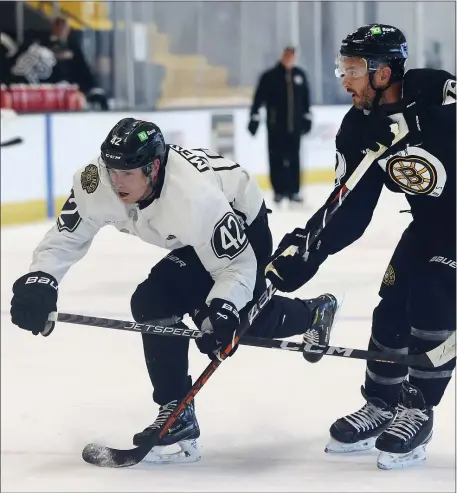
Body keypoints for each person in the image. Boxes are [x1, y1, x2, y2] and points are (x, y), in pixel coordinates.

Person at [10, 117, 339, 464]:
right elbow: (68, 235)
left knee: (237, 320)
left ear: (152, 168)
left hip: (240, 224)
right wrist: (40, 280)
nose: (115, 181)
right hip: (192, 236)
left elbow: (236, 266)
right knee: (155, 301)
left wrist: (224, 307)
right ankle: (176, 410)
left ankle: (314, 312)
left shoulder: (194, 198)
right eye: (111, 170)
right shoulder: (96, 181)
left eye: (127, 173)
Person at [265, 24, 456, 470]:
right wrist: (298, 258)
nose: (344, 78)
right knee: (392, 304)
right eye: (343, 67)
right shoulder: (358, 129)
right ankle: (382, 404)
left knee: (432, 296)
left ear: (384, 73)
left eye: (352, 69)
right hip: (431, 224)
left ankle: (417, 408)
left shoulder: (437, 94)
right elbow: (347, 212)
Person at [248, 46, 312, 205]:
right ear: (282, 56)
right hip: (275, 127)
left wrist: (307, 118)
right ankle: (279, 191)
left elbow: (305, 101)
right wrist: (254, 117)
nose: (289, 58)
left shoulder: (300, 76)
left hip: (294, 127)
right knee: (276, 159)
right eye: (287, 55)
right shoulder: (270, 77)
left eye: (292, 56)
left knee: (294, 159)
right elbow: (258, 99)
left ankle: (294, 191)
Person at [10, 16, 108, 110]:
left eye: (64, 27)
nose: (61, 30)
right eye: (58, 26)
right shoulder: (38, 44)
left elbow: (83, 72)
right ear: (53, 27)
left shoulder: (73, 48)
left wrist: (93, 89)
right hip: (42, 92)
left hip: (68, 95)